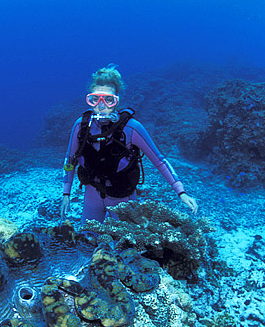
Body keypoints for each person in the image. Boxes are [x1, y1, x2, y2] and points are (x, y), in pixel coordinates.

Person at [61, 65, 198, 224]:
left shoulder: (132, 128)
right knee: (87, 240)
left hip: (123, 196)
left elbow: (160, 161)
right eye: (94, 99)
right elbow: (70, 160)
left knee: (126, 246)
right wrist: (66, 194)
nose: (101, 105)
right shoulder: (81, 126)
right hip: (92, 195)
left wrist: (181, 192)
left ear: (116, 101)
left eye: (108, 99)